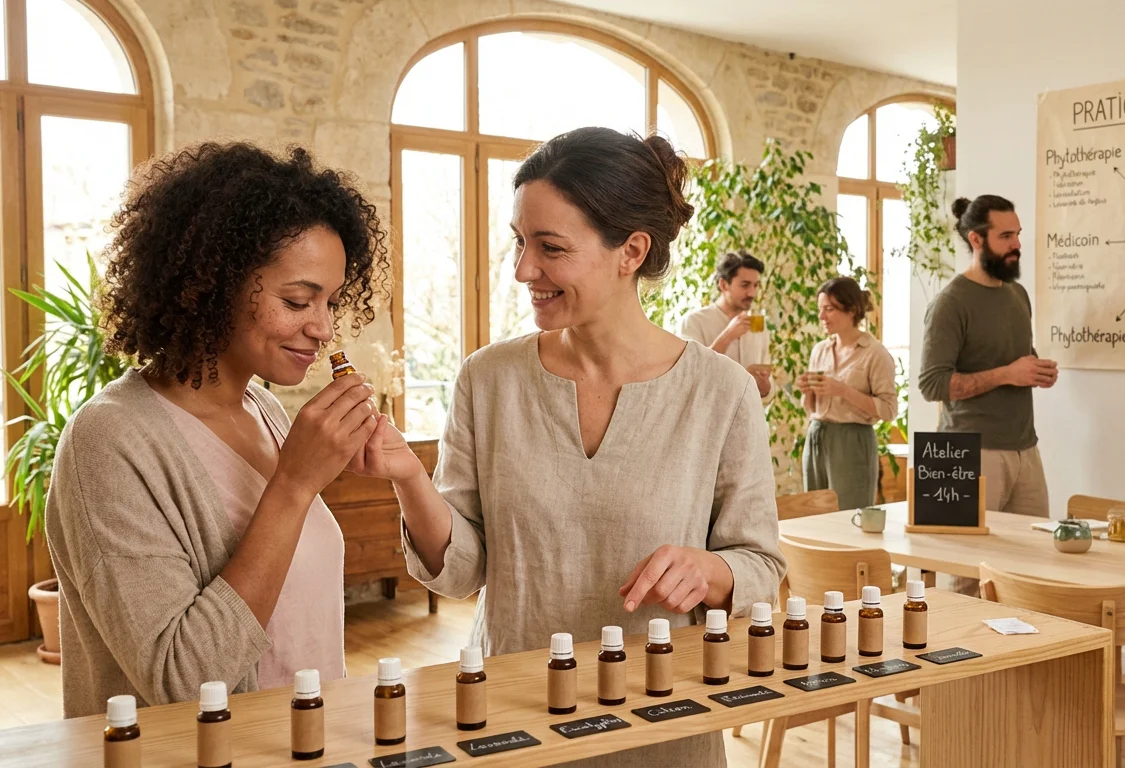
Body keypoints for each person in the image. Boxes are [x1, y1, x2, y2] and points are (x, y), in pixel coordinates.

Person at [349, 127, 785, 767]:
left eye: (550, 248)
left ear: (630, 251)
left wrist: (711, 570)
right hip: (510, 721)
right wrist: (411, 480)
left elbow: (761, 564)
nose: (524, 270)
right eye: (520, 243)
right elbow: (463, 569)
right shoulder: (488, 378)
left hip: (660, 725)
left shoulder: (721, 392)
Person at [44, 143, 389, 717]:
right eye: (298, 299)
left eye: (330, 300)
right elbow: (184, 680)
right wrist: (295, 485)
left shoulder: (265, 412)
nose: (324, 328)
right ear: (213, 284)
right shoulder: (106, 443)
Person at [918, 195, 1057, 522]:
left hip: (1026, 449)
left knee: (1030, 563)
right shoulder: (949, 304)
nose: (1017, 244)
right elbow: (931, 385)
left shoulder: (1018, 294)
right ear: (976, 239)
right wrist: (1007, 374)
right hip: (965, 452)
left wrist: (1035, 370)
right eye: (1006, 236)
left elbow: (1012, 357)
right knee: (964, 568)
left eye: (1018, 234)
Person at [800, 276, 898, 511]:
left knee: (849, 515)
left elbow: (889, 410)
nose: (822, 316)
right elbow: (810, 408)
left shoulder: (875, 353)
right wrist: (808, 391)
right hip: (816, 436)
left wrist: (843, 391)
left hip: (852, 441)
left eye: (829, 309)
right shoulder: (820, 350)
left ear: (851, 310)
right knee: (813, 514)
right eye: (820, 309)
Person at [678, 250, 772, 398]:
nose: (752, 293)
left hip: (750, 418)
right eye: (745, 285)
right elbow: (690, 374)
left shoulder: (759, 326)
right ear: (723, 284)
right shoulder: (694, 322)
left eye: (756, 285)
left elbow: (767, 377)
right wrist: (728, 336)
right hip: (710, 418)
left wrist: (767, 389)